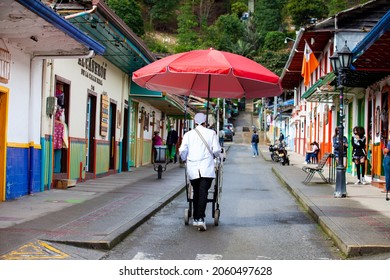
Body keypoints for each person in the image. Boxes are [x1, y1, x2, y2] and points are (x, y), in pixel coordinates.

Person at [179, 113, 221, 231]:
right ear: (205, 122)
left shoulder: (188, 134)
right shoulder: (211, 133)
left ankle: (197, 217)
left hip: (193, 168)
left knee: (197, 192)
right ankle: (200, 218)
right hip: (206, 167)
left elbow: (183, 151)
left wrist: (184, 158)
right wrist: (215, 156)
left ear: (194, 121)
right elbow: (217, 150)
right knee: (203, 191)